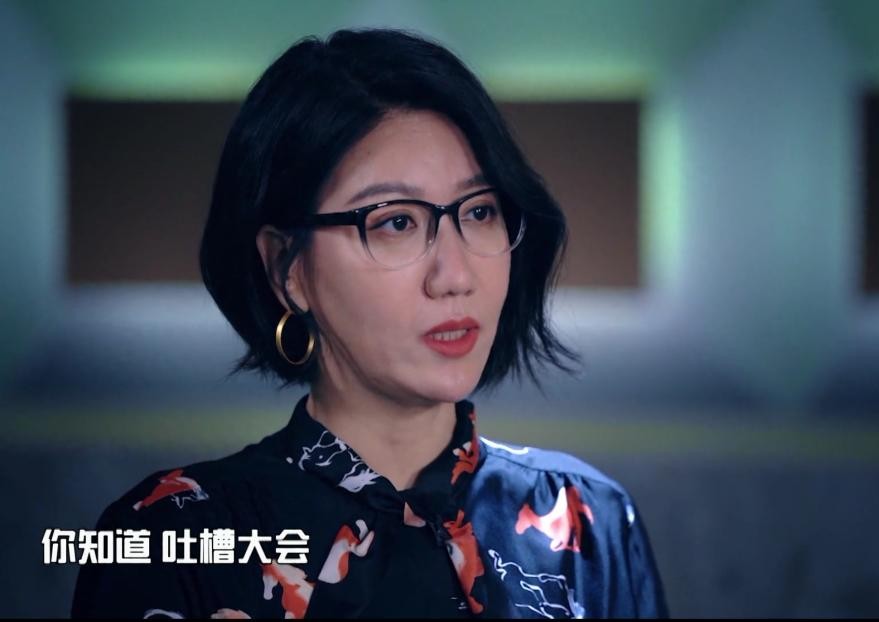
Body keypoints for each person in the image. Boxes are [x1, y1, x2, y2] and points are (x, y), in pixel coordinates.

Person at [71, 28, 668, 619]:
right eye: (396, 222)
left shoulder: (585, 520)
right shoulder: (170, 539)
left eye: (480, 211)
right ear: (287, 268)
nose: (455, 275)